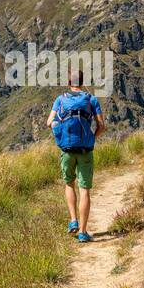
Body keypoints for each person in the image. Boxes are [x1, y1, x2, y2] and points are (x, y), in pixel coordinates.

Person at [47, 70, 105, 242]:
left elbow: (49, 122)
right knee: (84, 189)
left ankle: (73, 221)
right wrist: (91, 138)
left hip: (67, 150)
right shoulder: (91, 99)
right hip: (85, 151)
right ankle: (83, 231)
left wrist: (60, 134)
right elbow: (102, 126)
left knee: (69, 184)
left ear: (68, 82)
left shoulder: (60, 99)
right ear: (82, 81)